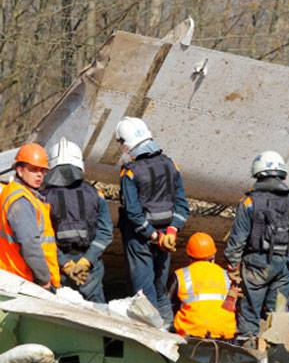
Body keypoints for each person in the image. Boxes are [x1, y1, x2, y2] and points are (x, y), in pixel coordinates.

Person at [224, 150, 289, 343]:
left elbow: (238, 238)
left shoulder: (249, 202)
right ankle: (274, 354)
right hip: (285, 266)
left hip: (256, 265)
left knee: (249, 311)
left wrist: (233, 265)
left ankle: (248, 349)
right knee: (278, 315)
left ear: (258, 174)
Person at [116, 117, 190, 325]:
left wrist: (154, 235)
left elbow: (133, 212)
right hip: (166, 238)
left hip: (141, 239)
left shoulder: (130, 172)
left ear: (126, 144)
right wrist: (171, 232)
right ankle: (168, 329)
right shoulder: (170, 164)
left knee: (144, 294)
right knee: (160, 288)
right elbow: (182, 204)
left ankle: (154, 338)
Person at [43, 137, 113, 303]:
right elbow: (105, 232)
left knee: (58, 311)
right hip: (90, 267)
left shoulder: (43, 198)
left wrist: (66, 264)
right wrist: (87, 261)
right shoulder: (95, 195)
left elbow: (43, 236)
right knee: (98, 313)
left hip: (58, 266)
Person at [0, 143, 60, 289]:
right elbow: (30, 244)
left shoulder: (17, 193)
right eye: (33, 170)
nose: (39, 174)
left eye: (42, 170)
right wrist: (44, 278)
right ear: (20, 170)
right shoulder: (21, 200)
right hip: (24, 280)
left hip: (15, 275)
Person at [168, 232, 235, 339]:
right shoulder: (226, 275)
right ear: (213, 256)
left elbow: (169, 305)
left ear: (189, 256)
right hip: (224, 334)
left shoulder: (181, 275)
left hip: (190, 333)